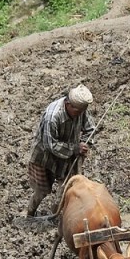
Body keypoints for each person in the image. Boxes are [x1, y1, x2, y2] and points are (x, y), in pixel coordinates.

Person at [26, 84, 95, 217]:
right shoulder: (52, 117)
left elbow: (90, 129)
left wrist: (85, 144)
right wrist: (75, 148)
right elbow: (50, 145)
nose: (80, 115)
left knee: (65, 189)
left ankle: (55, 215)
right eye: (78, 112)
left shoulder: (81, 109)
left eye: (82, 111)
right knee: (42, 191)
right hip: (45, 158)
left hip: (67, 156)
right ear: (68, 104)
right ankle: (30, 213)